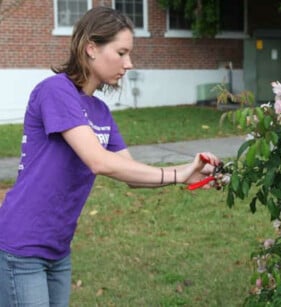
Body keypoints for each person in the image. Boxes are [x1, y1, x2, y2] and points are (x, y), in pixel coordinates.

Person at [0, 6, 220, 307]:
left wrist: (186, 172)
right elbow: (99, 161)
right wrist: (178, 174)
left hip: (58, 249)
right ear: (91, 48)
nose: (129, 64)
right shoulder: (55, 91)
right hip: (22, 246)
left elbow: (129, 172)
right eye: (121, 53)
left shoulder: (100, 111)